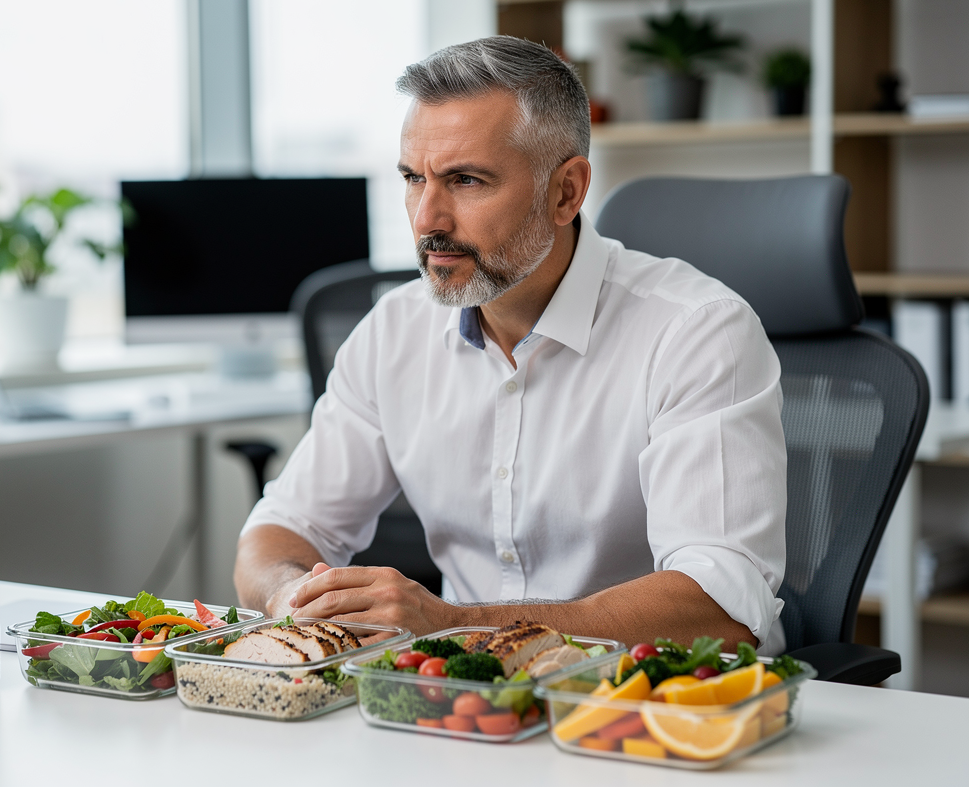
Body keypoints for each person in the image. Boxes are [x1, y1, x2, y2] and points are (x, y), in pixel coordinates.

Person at [234, 36, 787, 653]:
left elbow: (719, 606)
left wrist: (455, 626)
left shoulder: (697, 331)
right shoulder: (392, 331)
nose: (426, 220)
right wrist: (289, 596)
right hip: (465, 704)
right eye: (414, 179)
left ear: (565, 192)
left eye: (465, 181)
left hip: (659, 705)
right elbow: (279, 531)